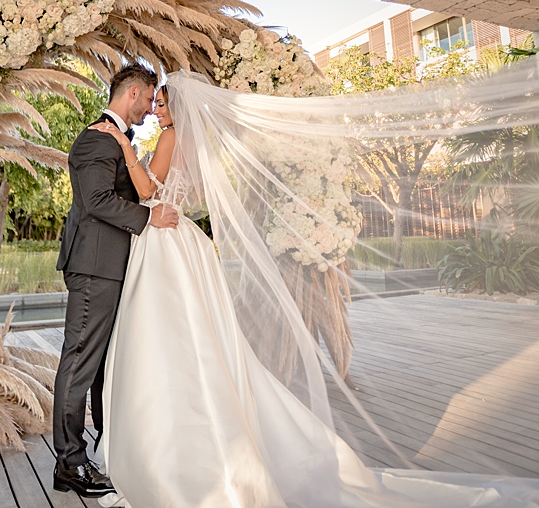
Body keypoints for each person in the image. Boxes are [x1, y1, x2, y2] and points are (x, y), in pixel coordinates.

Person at [88, 71, 539, 507]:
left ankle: (170, 444)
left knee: (167, 337)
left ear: (176, 107)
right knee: (193, 340)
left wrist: (127, 152)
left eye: (160, 103)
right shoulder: (189, 141)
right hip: (182, 240)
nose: (155, 111)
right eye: (153, 102)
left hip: (166, 239)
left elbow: (151, 188)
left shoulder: (169, 138)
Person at [52, 63, 179, 498]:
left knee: (104, 365)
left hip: (112, 266)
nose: (150, 108)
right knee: (80, 360)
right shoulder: (95, 138)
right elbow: (98, 201)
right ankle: (69, 462)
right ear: (133, 93)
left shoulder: (116, 138)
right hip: (94, 265)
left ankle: (107, 449)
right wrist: (150, 217)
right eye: (148, 98)